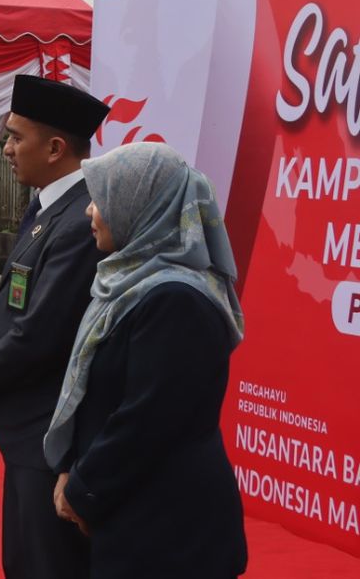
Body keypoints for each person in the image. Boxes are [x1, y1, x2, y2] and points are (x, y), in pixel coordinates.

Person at [44, 143, 247, 579]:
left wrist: (83, 489)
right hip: (136, 513)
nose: (89, 212)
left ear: (140, 205)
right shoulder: (132, 285)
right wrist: (70, 470)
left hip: (171, 533)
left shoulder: (177, 299)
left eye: (100, 198)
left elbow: (148, 418)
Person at [0, 76, 110, 579]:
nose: (7, 149)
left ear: (56, 147)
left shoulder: (79, 218)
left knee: (45, 564)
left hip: (49, 428)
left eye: (17, 137)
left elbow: (44, 329)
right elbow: (7, 303)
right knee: (22, 560)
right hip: (23, 421)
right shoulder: (48, 205)